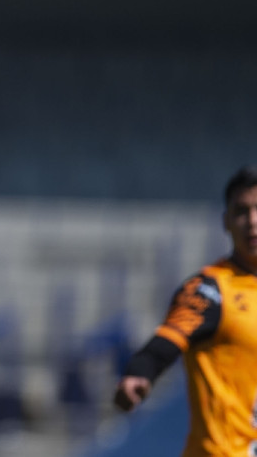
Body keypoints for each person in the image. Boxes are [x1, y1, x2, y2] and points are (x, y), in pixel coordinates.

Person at [113, 165, 257, 456]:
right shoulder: (210, 290)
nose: (252, 221)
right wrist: (140, 372)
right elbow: (167, 340)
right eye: (242, 211)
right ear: (226, 221)